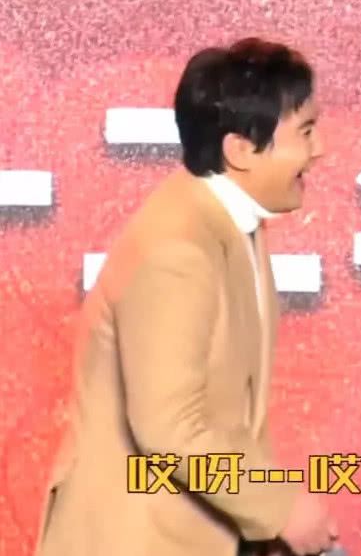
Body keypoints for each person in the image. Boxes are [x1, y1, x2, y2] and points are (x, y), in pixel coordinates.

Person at [33, 37, 339, 556]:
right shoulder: (178, 249)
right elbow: (170, 426)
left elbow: (229, 418)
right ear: (241, 150)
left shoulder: (230, 222)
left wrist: (266, 520)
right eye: (305, 131)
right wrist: (278, 508)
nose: (320, 149)